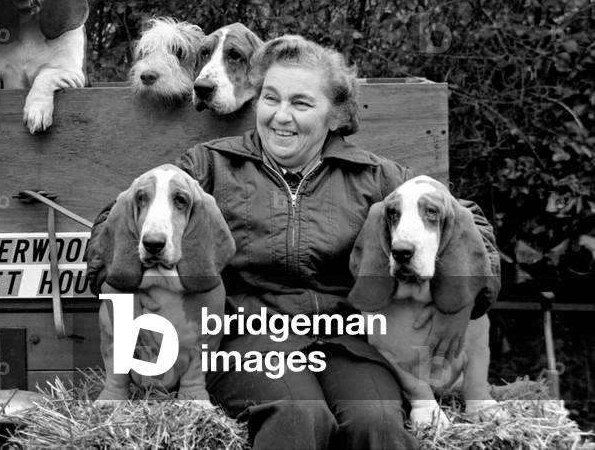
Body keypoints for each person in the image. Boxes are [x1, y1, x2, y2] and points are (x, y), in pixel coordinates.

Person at [90, 34, 500, 449]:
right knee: (298, 415)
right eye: (270, 98)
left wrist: (465, 297)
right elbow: (120, 218)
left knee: (376, 422)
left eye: (300, 104)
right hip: (246, 340)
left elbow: (469, 221)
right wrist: (124, 275)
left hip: (349, 343)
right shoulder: (210, 164)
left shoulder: (375, 176)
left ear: (335, 115)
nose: (280, 116)